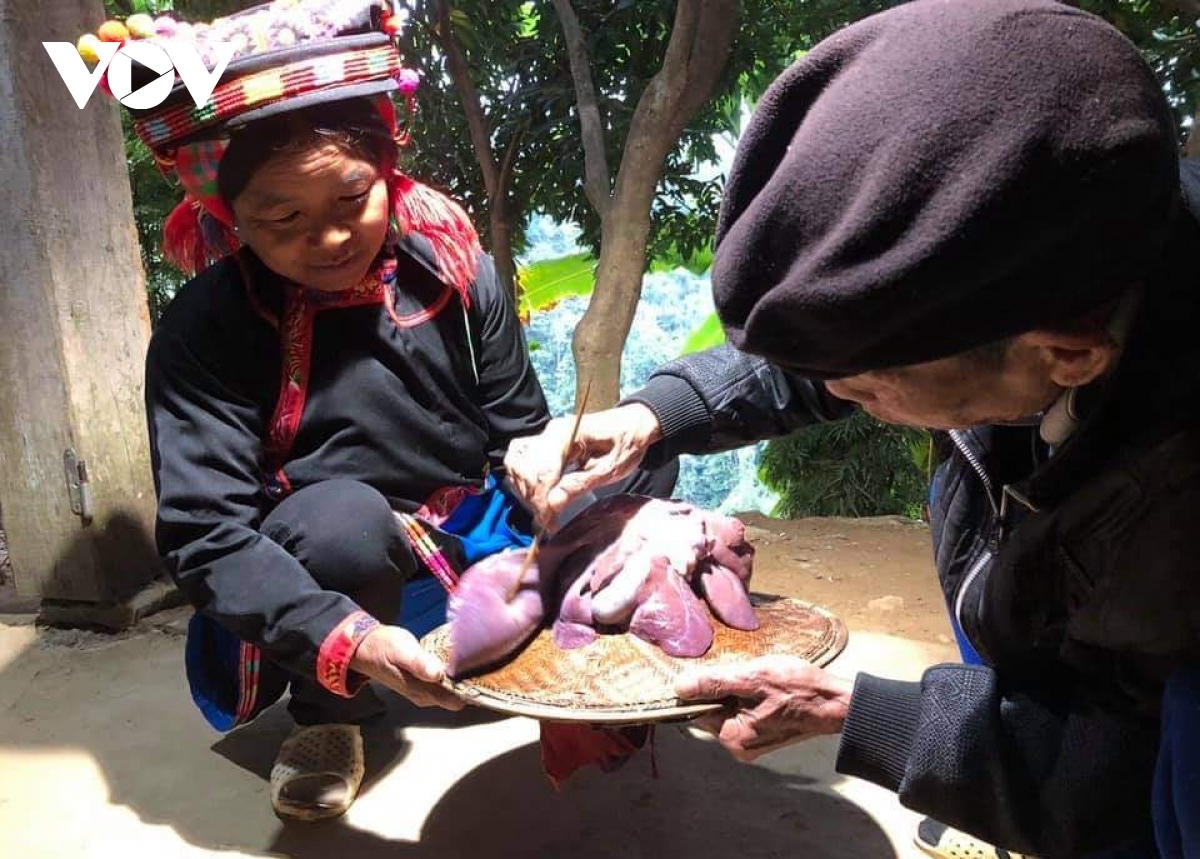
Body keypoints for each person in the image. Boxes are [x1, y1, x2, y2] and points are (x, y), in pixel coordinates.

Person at [505, 2, 1200, 858]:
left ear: (1066, 356)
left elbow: (1111, 776)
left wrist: (867, 716)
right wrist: (655, 415)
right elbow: (842, 346)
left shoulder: (1173, 516)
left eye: (869, 390)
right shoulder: (1050, 256)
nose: (840, 395)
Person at [90, 0, 673, 821]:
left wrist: (549, 471)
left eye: (350, 199)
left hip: (469, 534)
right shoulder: (206, 330)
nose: (328, 238)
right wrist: (353, 641)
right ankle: (331, 715)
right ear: (226, 215)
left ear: (388, 167)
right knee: (344, 523)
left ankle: (552, 634)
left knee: (637, 449)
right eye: (282, 219)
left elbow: (518, 425)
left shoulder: (455, 268)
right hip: (327, 572)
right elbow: (205, 532)